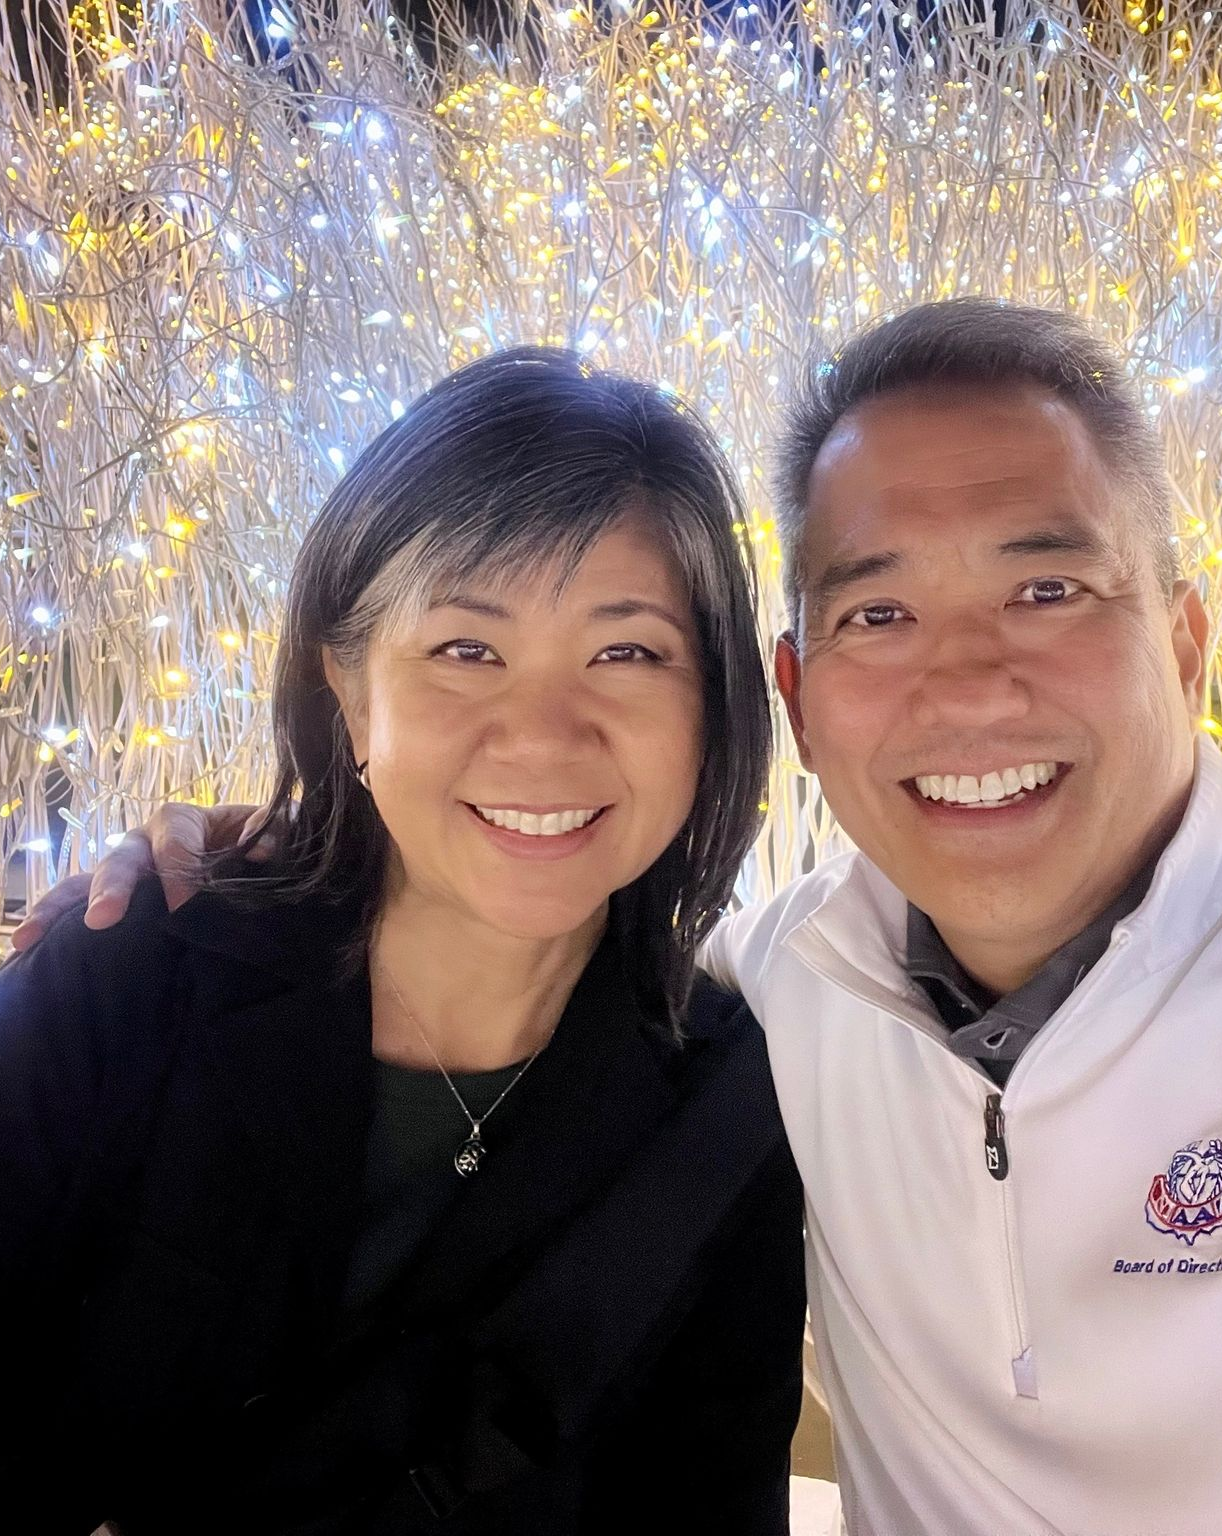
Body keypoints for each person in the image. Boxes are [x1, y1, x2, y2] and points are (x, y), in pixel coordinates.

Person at [26, 300, 1222, 1534]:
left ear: (1188, 643)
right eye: (465, 651)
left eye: (1048, 590)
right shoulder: (145, 969)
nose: (963, 685)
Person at [0, 347, 805, 1534]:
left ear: (712, 704)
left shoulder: (725, 1111)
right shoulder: (133, 970)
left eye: (626, 651)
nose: (541, 737)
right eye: (464, 650)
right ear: (349, 692)